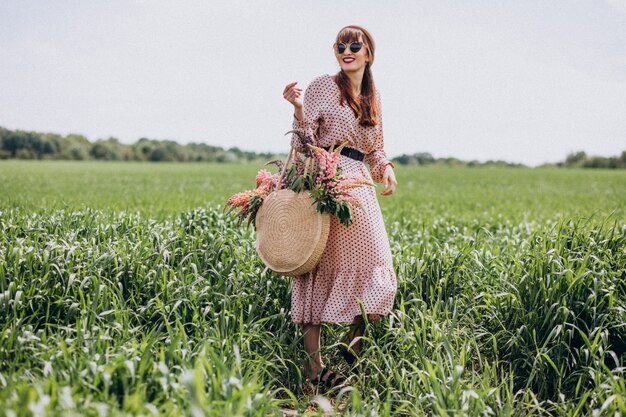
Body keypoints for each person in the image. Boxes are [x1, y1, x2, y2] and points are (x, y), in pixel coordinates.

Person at [282, 25, 398, 389]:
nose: (346, 50)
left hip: (359, 184)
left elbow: (375, 146)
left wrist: (386, 168)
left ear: (368, 53)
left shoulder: (372, 94)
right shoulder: (322, 86)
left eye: (354, 45)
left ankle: (346, 360)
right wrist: (299, 108)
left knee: (378, 269)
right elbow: (304, 142)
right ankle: (313, 372)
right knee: (315, 269)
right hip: (325, 181)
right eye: (340, 45)